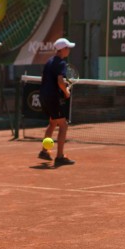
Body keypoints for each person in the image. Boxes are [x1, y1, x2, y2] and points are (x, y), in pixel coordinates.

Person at [38, 37, 76, 166]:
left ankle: (44, 151)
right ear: (63, 49)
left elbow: (50, 79)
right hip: (53, 97)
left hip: (43, 96)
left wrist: (62, 88)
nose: (69, 50)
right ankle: (60, 157)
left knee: (53, 122)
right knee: (63, 125)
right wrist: (66, 92)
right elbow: (60, 81)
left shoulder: (49, 61)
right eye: (68, 48)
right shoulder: (61, 63)